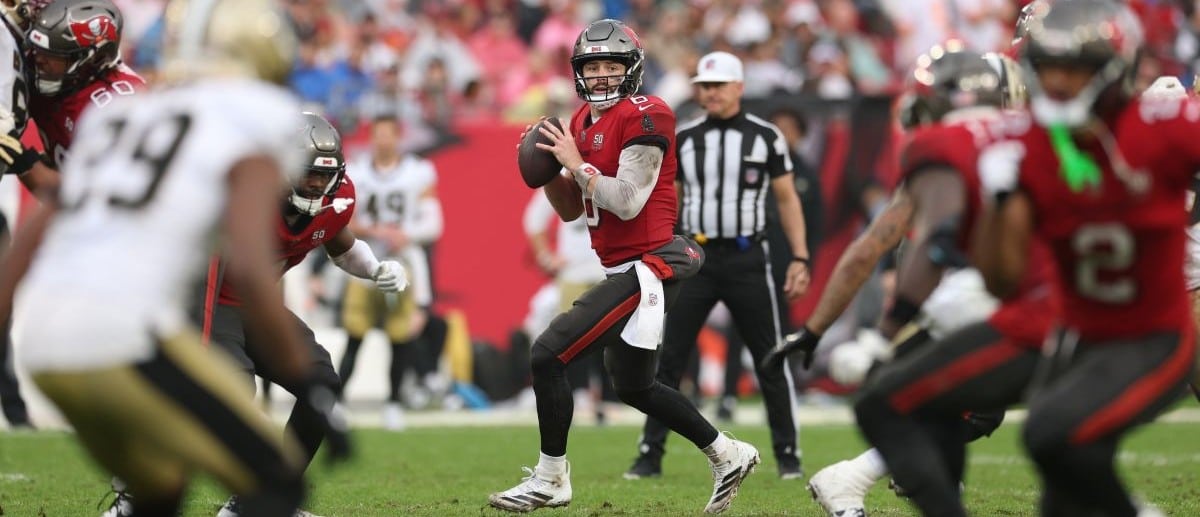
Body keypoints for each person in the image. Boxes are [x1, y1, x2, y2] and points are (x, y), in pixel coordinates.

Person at [0, 1, 351, 515]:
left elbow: (44, 220)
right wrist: (307, 382)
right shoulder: (260, 119)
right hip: (129, 336)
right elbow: (251, 271)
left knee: (160, 491)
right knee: (275, 484)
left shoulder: (123, 113)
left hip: (45, 342)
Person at [488, 19, 759, 515]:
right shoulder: (577, 123)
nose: (603, 76)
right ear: (578, 72)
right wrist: (548, 171)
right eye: (593, 67)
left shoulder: (648, 112)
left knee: (548, 353)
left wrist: (575, 164)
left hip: (652, 262)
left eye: (613, 65)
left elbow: (629, 200)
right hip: (625, 267)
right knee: (634, 386)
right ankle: (728, 452)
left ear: (631, 70)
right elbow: (572, 210)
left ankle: (551, 480)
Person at [766, 45, 1044, 516]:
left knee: (949, 404)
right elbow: (898, 243)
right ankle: (874, 478)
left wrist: (818, 329)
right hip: (1019, 303)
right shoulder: (1040, 140)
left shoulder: (965, 146)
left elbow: (874, 245)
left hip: (1011, 302)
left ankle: (873, 477)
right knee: (985, 409)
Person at [974, 1, 1194, 515]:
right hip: (1076, 336)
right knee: (1061, 490)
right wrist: (999, 202)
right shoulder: (1021, 145)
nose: (1056, 83)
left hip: (1152, 334)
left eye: (1073, 68)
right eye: (1045, 65)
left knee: (1050, 434)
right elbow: (1002, 279)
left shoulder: (1161, 125)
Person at [203, 111, 407, 517]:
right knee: (237, 392)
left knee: (322, 384)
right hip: (213, 300)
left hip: (257, 307)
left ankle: (270, 497)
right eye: (308, 173)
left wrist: (376, 268)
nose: (316, 184)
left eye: (322, 175)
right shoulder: (248, 199)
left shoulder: (336, 199)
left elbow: (341, 246)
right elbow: (207, 275)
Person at [625, 50, 810, 481]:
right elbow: (665, 200)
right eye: (704, 86)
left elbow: (787, 199)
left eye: (719, 85)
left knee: (769, 357)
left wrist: (800, 256)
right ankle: (649, 454)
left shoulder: (766, 137)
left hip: (748, 257)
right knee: (668, 358)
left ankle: (788, 455)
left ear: (739, 88)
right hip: (696, 257)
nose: (710, 93)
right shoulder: (686, 138)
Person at [336, 114, 442, 431]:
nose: (383, 140)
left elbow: (434, 223)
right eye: (378, 134)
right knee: (355, 336)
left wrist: (404, 234)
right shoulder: (356, 172)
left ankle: (394, 402)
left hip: (403, 263)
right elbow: (341, 218)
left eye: (388, 134)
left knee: (400, 339)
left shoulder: (417, 172)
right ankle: (337, 402)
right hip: (364, 261)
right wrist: (374, 229)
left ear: (398, 137)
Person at [3, 0, 145, 196]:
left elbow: (87, 200)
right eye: (38, 49)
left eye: (53, 54)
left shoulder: (117, 109)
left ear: (91, 60)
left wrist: (20, 159)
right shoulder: (56, 77)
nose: (38, 59)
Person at [523, 185, 615, 424]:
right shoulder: (561, 180)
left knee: (609, 334)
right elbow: (533, 218)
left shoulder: (606, 174)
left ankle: (610, 395)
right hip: (573, 271)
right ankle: (579, 392)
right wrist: (546, 257)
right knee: (572, 336)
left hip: (608, 269)